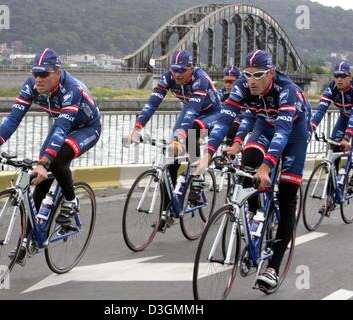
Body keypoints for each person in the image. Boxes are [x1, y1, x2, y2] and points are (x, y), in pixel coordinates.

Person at [194, 50, 312, 291]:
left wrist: (267, 167)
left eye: (258, 75)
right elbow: (225, 119)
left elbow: (283, 131)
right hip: (265, 125)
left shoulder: (286, 89)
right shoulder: (243, 85)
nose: (252, 80)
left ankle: (273, 267)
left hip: (294, 133)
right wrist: (207, 154)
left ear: (270, 73)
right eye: (248, 75)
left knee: (288, 193)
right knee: (248, 161)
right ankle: (255, 213)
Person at [0, 48, 102, 253]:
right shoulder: (31, 86)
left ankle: (71, 201)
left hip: (86, 128)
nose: (38, 79)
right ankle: (28, 241)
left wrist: (44, 163)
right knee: (39, 185)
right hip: (61, 127)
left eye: (44, 74)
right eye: (35, 73)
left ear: (58, 73)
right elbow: (13, 120)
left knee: (56, 160)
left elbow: (61, 128)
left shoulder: (72, 89)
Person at [125, 49, 222, 214]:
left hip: (210, 113)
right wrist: (136, 128)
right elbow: (152, 103)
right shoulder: (168, 77)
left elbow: (193, 111)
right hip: (189, 110)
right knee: (171, 159)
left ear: (191, 68)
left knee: (192, 131)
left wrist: (180, 135)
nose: (177, 74)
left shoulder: (200, 79)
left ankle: (197, 177)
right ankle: (167, 210)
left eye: (181, 70)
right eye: (174, 69)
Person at [310, 61, 353, 186]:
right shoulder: (331, 88)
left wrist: (347, 137)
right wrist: (311, 127)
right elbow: (320, 111)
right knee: (334, 145)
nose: (339, 79)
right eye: (336, 76)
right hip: (344, 118)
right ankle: (333, 183)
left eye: (343, 76)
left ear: (350, 77)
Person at [218, 65, 242, 146]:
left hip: (241, 117)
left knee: (233, 127)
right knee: (194, 128)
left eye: (231, 82)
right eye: (226, 81)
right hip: (228, 116)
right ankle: (194, 156)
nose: (228, 84)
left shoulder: (243, 90)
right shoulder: (222, 91)